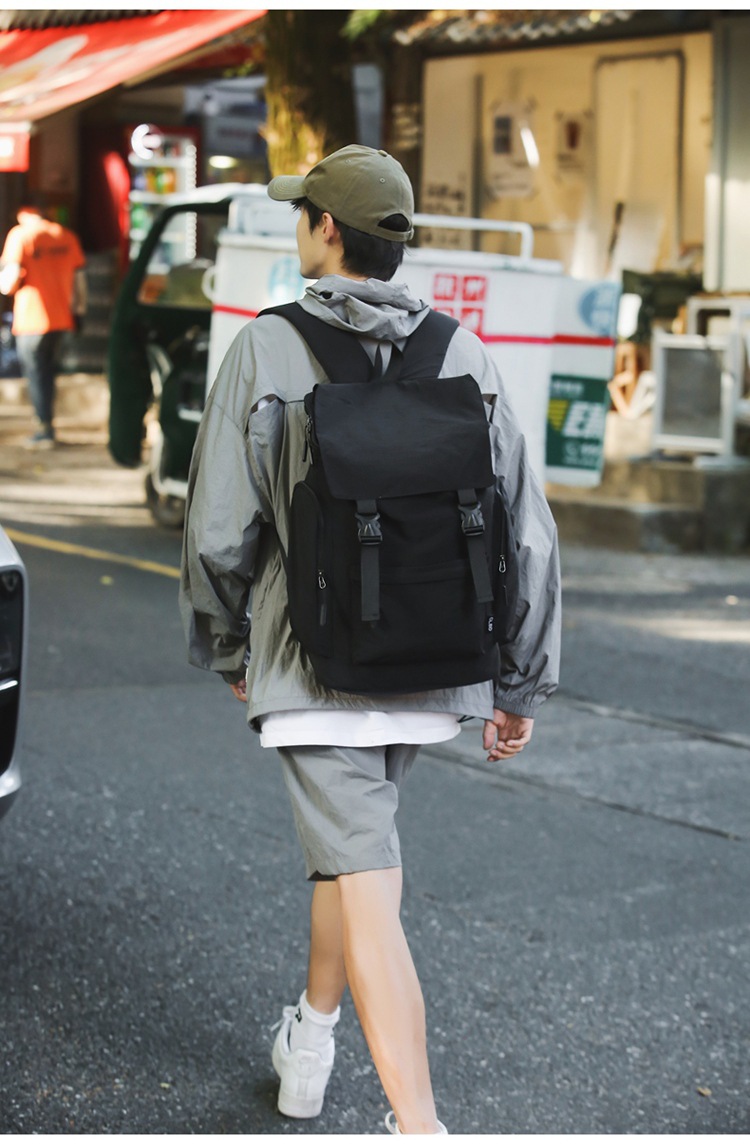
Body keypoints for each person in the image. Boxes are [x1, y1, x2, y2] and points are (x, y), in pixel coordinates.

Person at [179, 145, 561, 1135]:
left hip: (314, 665)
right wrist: (519, 679)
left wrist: (231, 646)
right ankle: (308, 1045)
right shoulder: (463, 352)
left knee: (366, 877)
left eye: (302, 213)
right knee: (348, 854)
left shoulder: (267, 346)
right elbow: (524, 525)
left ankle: (417, 1123)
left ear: (326, 230)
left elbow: (218, 527)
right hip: (434, 663)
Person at [0, 203, 87, 448]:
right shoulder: (67, 236)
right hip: (62, 318)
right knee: (48, 372)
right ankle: (47, 423)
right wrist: (79, 312)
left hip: (31, 319)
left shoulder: (20, 235)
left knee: (35, 373)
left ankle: (44, 427)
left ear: (23, 213)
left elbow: (8, 283)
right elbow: (80, 279)